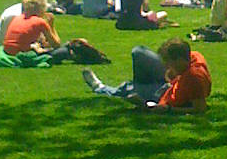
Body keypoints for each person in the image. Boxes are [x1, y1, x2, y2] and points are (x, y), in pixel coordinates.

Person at [83, 38, 211, 113]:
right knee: (138, 52)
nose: (166, 66)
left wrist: (167, 110)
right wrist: (173, 74)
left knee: (129, 89)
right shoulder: (194, 57)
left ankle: (99, 88)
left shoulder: (194, 78)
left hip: (161, 95)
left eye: (168, 62)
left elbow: (200, 109)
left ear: (178, 60)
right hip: (168, 87)